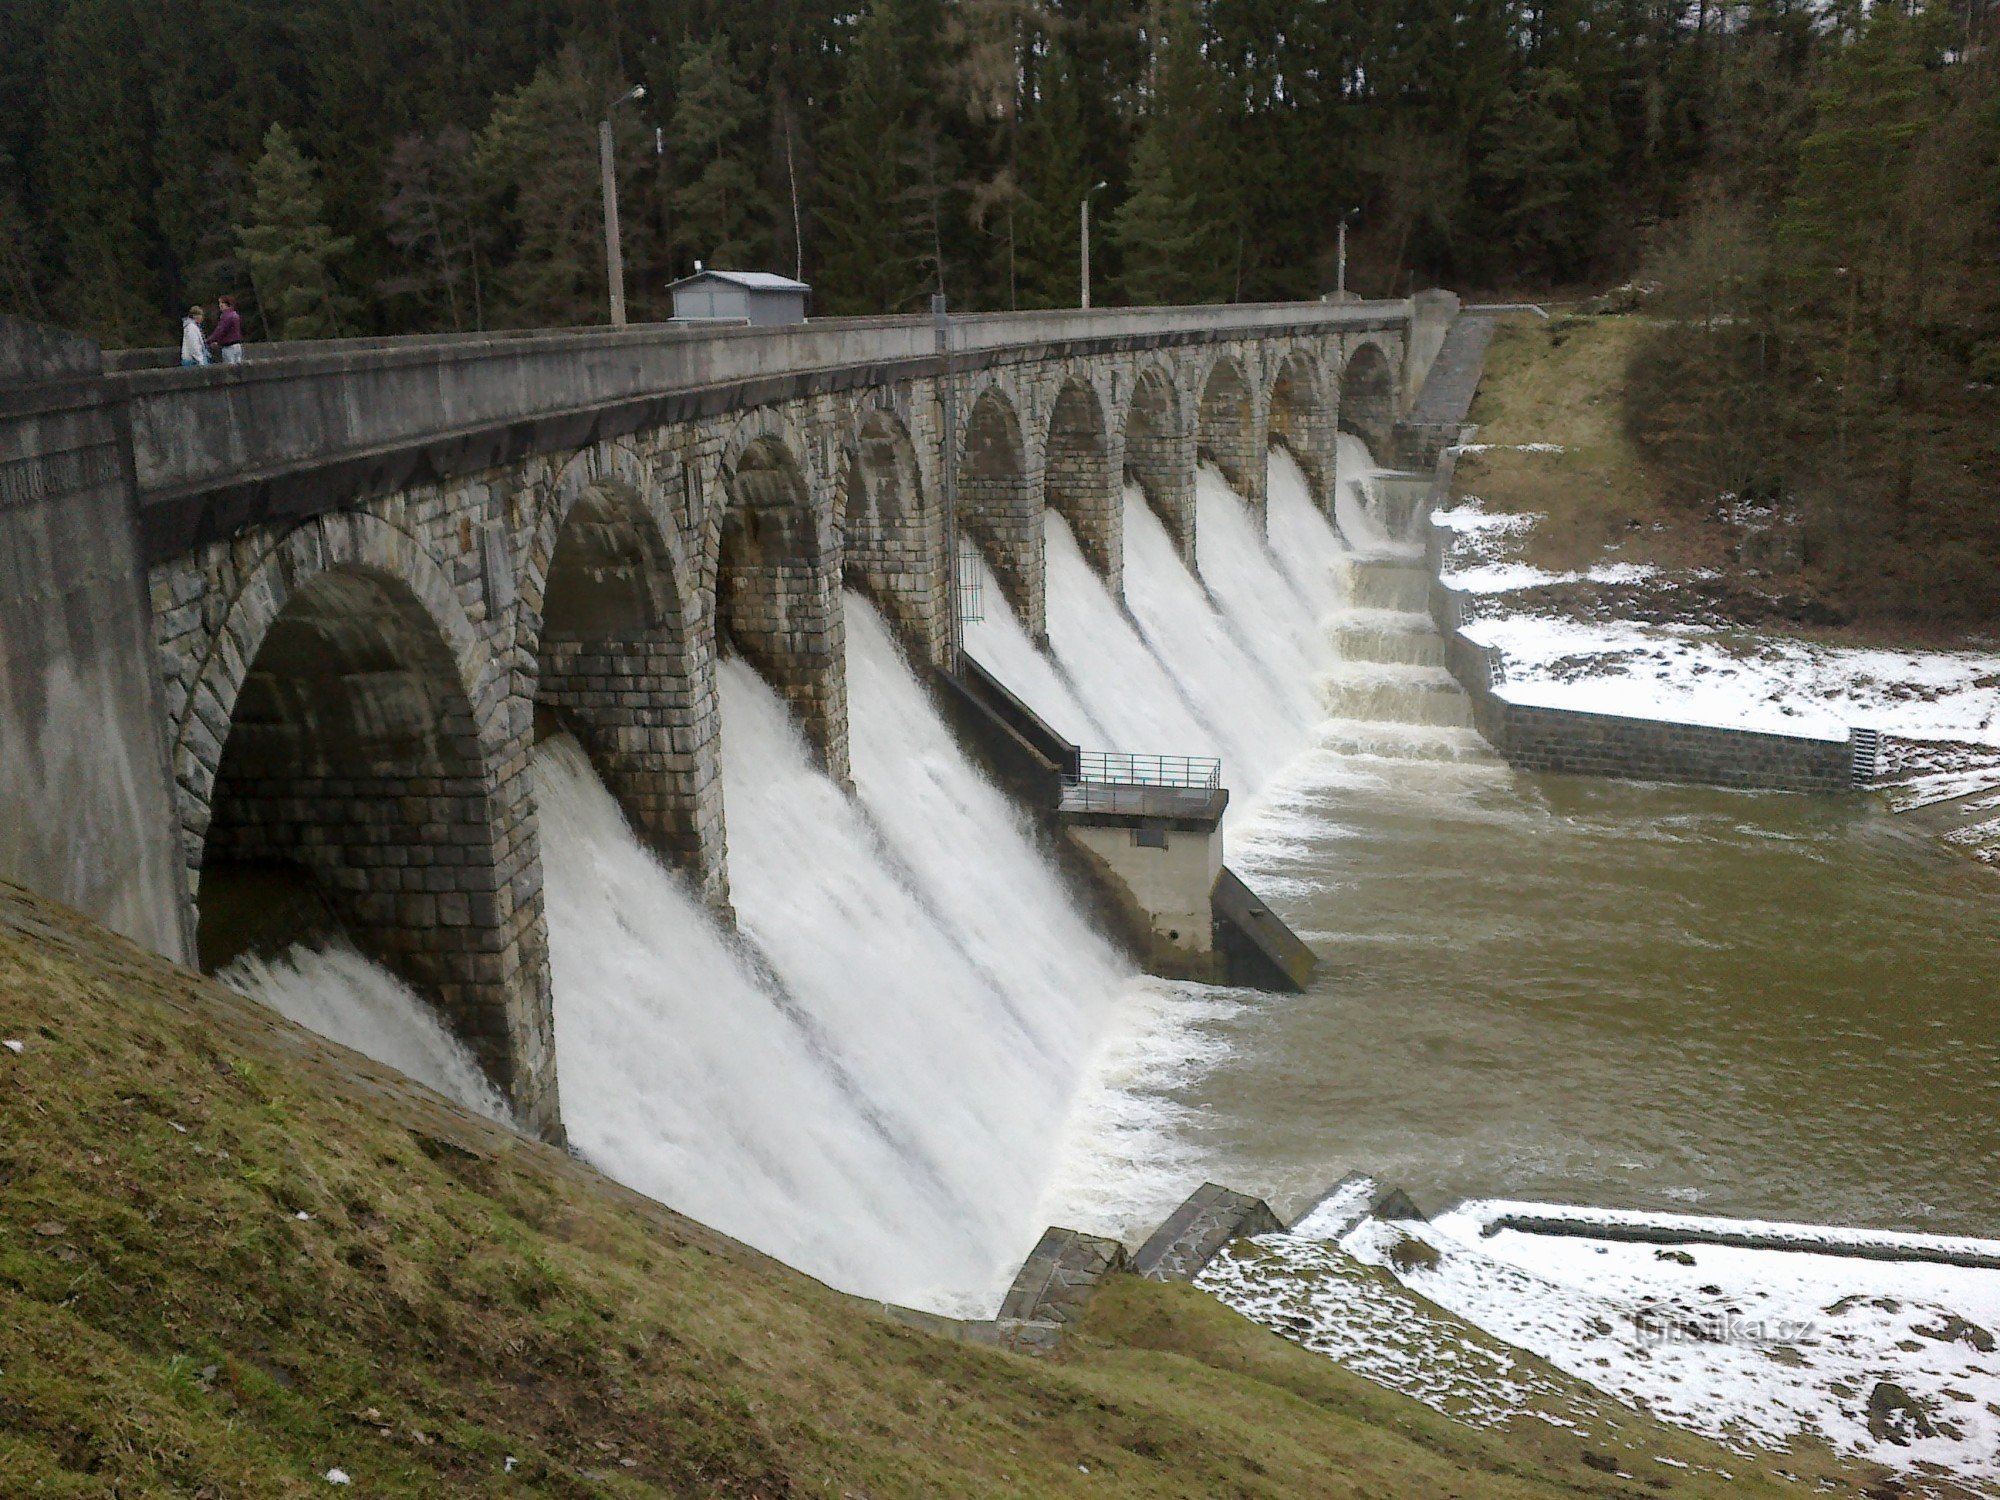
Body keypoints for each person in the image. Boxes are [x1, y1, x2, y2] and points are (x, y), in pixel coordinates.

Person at [206, 295, 244, 365]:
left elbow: (220, 331)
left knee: (229, 369)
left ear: (227, 304)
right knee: (238, 369)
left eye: (221, 303)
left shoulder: (226, 316)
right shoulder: (235, 314)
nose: (220, 305)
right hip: (237, 346)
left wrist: (209, 341)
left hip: (229, 347)